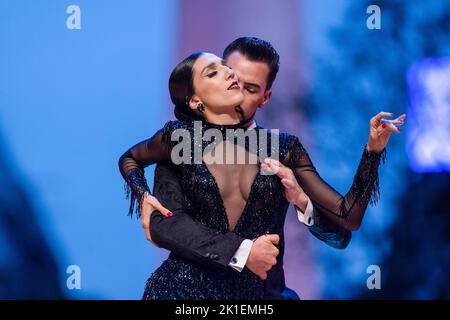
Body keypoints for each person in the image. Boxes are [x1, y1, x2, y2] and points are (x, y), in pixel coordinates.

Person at [119, 47, 405, 299]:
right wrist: (141, 193)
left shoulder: (283, 147)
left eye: (250, 87)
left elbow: (344, 225)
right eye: (226, 72)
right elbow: (163, 223)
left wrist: (369, 154)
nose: (236, 85)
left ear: (266, 97)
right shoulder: (180, 139)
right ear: (196, 99)